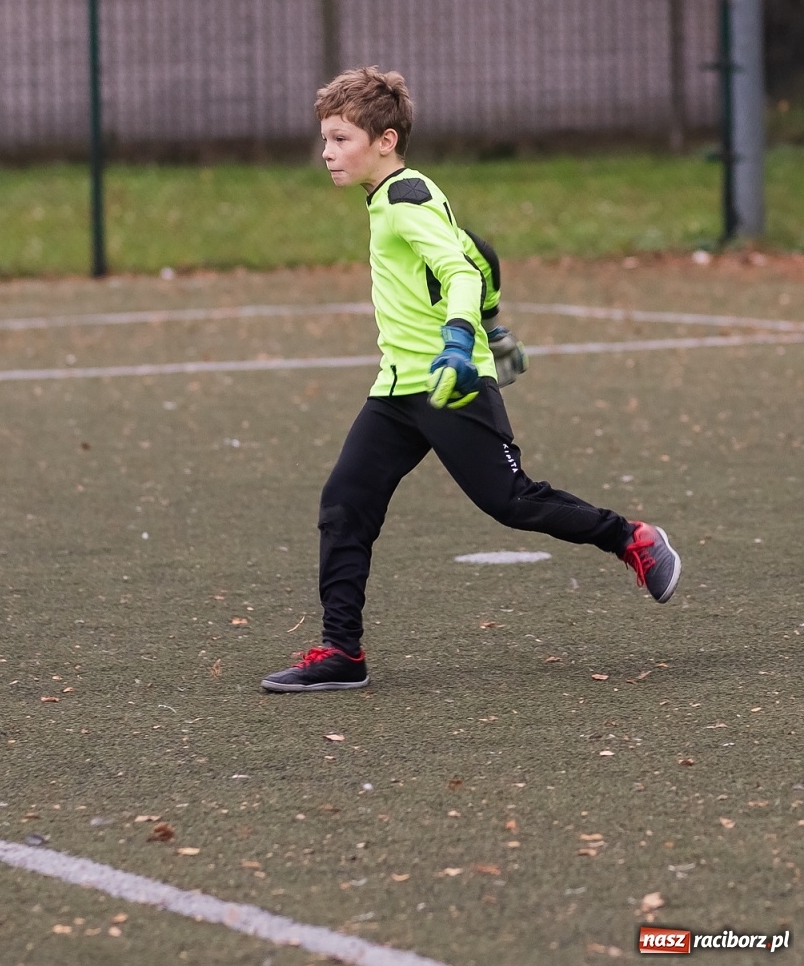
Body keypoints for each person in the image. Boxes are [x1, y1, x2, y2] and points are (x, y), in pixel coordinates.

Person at [260, 67, 680, 694]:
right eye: (324, 138)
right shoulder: (397, 195)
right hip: (400, 388)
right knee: (345, 503)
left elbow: (458, 269)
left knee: (510, 501)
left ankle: (633, 539)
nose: (327, 152)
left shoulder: (405, 199)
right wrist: (491, 321)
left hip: (448, 382)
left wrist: (463, 341)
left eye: (340, 138)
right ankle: (342, 651)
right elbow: (478, 249)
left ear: (386, 140)